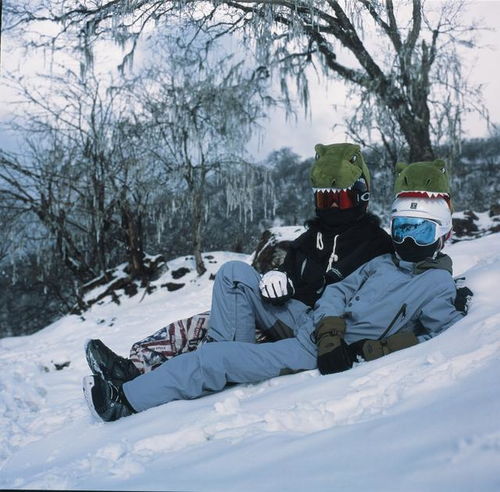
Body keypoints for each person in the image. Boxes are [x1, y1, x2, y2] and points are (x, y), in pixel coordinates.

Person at [83, 195, 465, 422]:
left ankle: (127, 401)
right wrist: (328, 325)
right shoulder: (382, 261)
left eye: (422, 230)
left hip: (312, 349)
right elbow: (338, 291)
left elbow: (429, 336)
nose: (407, 239)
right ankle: (224, 355)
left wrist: (364, 349)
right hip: (313, 325)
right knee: (234, 272)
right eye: (402, 228)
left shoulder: (436, 285)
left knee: (211, 359)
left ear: (444, 235)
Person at [84, 142, 393, 381]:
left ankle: (184, 372)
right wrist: (279, 278)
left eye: (340, 199)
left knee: (213, 333)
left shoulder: (375, 243)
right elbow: (288, 271)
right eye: (326, 199)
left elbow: (366, 294)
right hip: (282, 315)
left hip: (314, 328)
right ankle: (133, 365)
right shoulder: (310, 238)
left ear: (361, 196)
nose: (333, 208)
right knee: (206, 321)